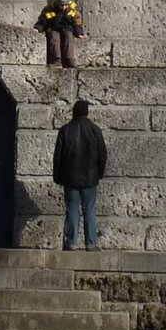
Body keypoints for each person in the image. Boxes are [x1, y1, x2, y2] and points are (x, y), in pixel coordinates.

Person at [51, 100, 108, 251]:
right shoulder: (95, 130)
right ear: (87, 112)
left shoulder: (65, 130)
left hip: (69, 177)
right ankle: (91, 243)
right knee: (89, 209)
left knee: (72, 208)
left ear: (74, 112)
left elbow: (58, 156)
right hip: (90, 177)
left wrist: (57, 176)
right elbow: (103, 155)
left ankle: (72, 242)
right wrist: (99, 174)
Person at [35, 0, 86, 68]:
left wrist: (79, 34)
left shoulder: (73, 10)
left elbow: (77, 23)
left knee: (68, 36)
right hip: (54, 28)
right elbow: (43, 20)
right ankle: (57, 60)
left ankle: (69, 59)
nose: (63, 7)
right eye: (61, 5)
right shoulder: (50, 8)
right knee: (54, 36)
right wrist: (37, 28)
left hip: (67, 29)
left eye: (65, 5)